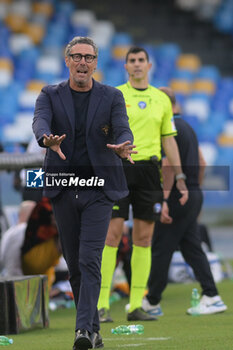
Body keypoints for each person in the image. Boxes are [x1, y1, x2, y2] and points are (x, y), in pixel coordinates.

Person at [32, 36, 136, 350]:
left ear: (95, 63)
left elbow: (122, 126)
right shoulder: (49, 94)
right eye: (76, 56)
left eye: (88, 57)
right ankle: (92, 329)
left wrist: (123, 144)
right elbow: (40, 121)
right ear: (67, 61)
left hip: (99, 188)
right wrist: (45, 139)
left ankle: (82, 333)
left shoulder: (112, 96)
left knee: (91, 259)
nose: (82, 62)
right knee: (75, 263)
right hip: (63, 188)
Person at [98, 46, 188, 323]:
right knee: (112, 235)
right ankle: (101, 305)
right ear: (125, 66)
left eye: (141, 60)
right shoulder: (114, 95)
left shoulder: (161, 99)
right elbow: (101, 133)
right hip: (119, 168)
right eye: (131, 61)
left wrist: (181, 177)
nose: (137, 65)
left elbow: (168, 139)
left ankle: (136, 305)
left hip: (150, 171)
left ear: (149, 65)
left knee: (144, 238)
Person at [142, 87, 227, 317]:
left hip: (176, 195)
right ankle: (212, 295)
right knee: (192, 248)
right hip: (192, 192)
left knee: (161, 248)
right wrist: (193, 191)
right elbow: (201, 161)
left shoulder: (169, 128)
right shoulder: (187, 127)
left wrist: (166, 199)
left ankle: (151, 301)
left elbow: (168, 165)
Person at [21, 197, 62, 290]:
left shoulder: (49, 201)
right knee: (70, 235)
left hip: (32, 257)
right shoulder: (50, 204)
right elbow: (59, 222)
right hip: (34, 255)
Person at [0, 200, 36, 276]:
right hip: (27, 280)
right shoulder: (25, 230)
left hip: (10, 279)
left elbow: (1, 259)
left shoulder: (8, 233)